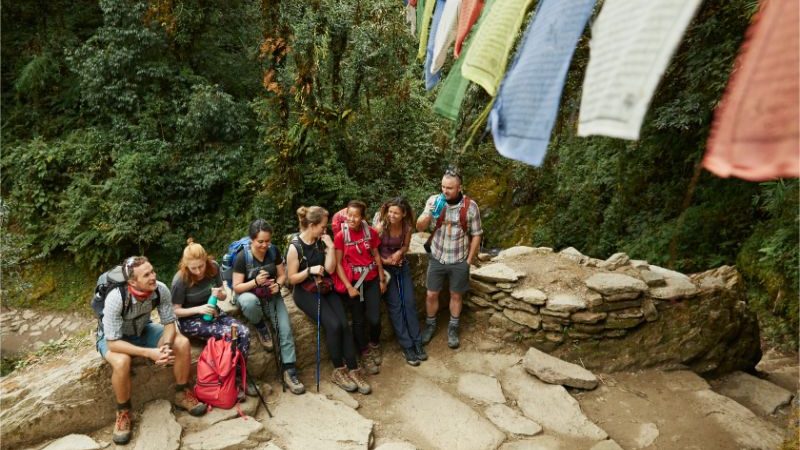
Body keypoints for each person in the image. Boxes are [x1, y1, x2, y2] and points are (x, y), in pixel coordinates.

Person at [97, 256, 207, 445]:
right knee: (122, 361)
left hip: (143, 329)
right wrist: (150, 353)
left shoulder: (160, 289)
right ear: (132, 281)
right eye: (146, 275)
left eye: (153, 271)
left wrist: (165, 346)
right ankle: (123, 412)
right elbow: (113, 343)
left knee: (181, 343)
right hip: (114, 338)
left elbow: (169, 324)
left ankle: (182, 393)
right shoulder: (116, 297)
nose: (153, 277)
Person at [286, 206, 371, 394]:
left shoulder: (321, 241)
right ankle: (338, 370)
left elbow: (330, 269)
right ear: (312, 225)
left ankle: (353, 369)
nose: (326, 230)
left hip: (324, 286)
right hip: (304, 291)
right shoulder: (295, 247)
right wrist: (309, 270)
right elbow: (290, 279)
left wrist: (331, 247)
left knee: (344, 324)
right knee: (332, 325)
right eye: (323, 227)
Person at [171, 239, 255, 400]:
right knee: (229, 335)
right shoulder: (180, 280)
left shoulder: (214, 267)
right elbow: (176, 311)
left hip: (214, 312)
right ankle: (231, 382)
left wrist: (218, 294)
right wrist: (199, 309)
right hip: (190, 320)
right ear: (186, 265)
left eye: (201, 266)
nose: (198, 271)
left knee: (243, 332)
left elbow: (223, 294)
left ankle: (239, 377)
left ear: (206, 260)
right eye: (193, 268)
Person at [232, 219, 305, 395]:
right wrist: (255, 282)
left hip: (272, 296)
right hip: (251, 295)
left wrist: (278, 286)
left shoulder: (273, 251)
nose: (265, 245)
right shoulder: (243, 257)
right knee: (248, 302)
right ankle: (260, 326)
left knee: (285, 330)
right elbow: (237, 287)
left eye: (267, 241)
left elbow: (282, 275)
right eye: (260, 242)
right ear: (252, 240)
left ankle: (290, 371)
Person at [416, 168, 483, 349]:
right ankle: (430, 325)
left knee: (456, 295)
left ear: (460, 188)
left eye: (450, 188)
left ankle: (453, 327)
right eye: (443, 186)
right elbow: (420, 227)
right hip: (437, 256)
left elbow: (477, 234)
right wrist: (428, 213)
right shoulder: (434, 201)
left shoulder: (471, 206)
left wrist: (469, 260)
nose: (445, 191)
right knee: (431, 294)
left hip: (459, 258)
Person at [334, 200, 387, 375]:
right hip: (354, 283)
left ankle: (374, 343)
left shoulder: (370, 232)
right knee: (357, 320)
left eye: (356, 216)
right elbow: (339, 264)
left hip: (371, 280)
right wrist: (349, 286)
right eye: (349, 215)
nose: (352, 219)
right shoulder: (341, 236)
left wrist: (381, 280)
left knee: (374, 318)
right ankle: (364, 352)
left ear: (362, 217)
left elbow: (376, 256)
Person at [374, 197, 427, 365]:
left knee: (409, 303)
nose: (392, 215)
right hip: (384, 269)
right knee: (396, 306)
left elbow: (405, 246)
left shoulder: (407, 228)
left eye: (396, 213)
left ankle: (417, 342)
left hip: (401, 267)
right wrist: (385, 261)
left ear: (404, 214)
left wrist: (399, 253)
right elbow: (371, 250)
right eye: (390, 212)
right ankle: (407, 346)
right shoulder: (381, 226)